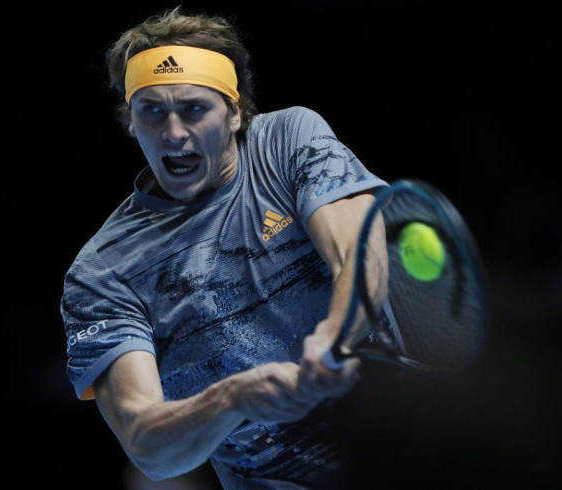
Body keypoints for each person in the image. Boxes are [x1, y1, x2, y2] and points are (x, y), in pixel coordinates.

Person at [60, 6, 393, 489]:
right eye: (151, 110)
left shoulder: (288, 140)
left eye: (195, 108)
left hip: (409, 449)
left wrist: (331, 341)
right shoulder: (101, 273)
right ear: (131, 121)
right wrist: (231, 398)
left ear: (235, 112)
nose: (174, 133)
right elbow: (147, 446)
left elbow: (359, 260)